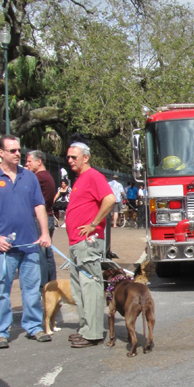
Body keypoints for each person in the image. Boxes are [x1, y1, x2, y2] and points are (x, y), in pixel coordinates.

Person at [0, 135, 52, 347]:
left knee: (31, 288)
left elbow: (39, 206)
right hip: (2, 248)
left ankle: (34, 327)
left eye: (18, 150)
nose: (17, 154)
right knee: (2, 290)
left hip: (30, 244)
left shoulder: (29, 177)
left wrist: (44, 233)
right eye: (12, 150)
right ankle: (1, 332)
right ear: (0, 153)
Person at [65, 139, 115, 348]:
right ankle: (86, 328)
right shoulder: (80, 179)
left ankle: (94, 332)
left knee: (91, 286)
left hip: (88, 242)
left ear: (86, 158)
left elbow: (110, 199)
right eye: (68, 157)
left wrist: (93, 224)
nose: (69, 161)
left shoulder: (93, 176)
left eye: (73, 157)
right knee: (80, 289)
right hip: (77, 242)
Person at [25, 150, 57, 289]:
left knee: (40, 254)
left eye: (29, 161)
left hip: (40, 219)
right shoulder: (47, 176)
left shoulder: (38, 178)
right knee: (47, 253)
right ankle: (51, 283)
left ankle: (43, 285)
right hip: (48, 217)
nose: (27, 164)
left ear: (39, 161)